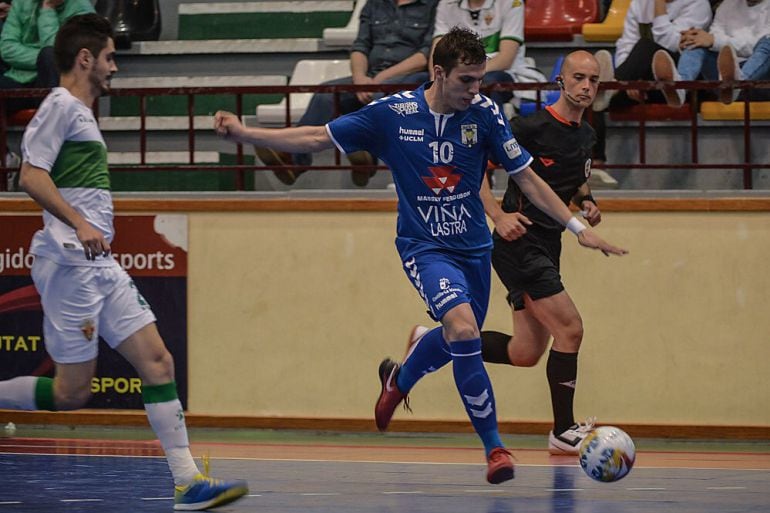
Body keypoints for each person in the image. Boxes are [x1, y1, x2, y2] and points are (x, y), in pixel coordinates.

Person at [214, 27, 627, 484]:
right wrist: (245, 133)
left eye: (480, 80)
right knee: (466, 330)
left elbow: (526, 178)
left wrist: (576, 226)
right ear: (438, 72)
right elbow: (315, 136)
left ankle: (400, 379)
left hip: (474, 249)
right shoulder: (393, 114)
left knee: (459, 336)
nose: (476, 90)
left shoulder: (485, 113)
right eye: (466, 81)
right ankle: (495, 450)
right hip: (425, 248)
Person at [0, 14, 248, 511]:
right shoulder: (59, 106)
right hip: (70, 265)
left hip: (101, 264)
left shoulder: (84, 115)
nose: (115, 67)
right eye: (110, 57)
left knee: (158, 362)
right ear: (86, 59)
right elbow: (29, 176)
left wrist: (90, 229)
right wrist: (78, 222)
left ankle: (188, 482)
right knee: (73, 394)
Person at [479, 51, 610, 455]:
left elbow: (572, 182)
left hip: (548, 245)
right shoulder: (528, 126)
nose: (586, 86)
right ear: (560, 80)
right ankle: (563, 430)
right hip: (519, 243)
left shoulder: (587, 134)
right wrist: (498, 215)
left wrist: (586, 201)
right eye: (578, 77)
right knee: (570, 329)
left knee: (525, 353)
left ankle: (435, 342)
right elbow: (477, 170)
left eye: (593, 80)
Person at [256, 0, 438, 187]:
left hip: (410, 76)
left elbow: (426, 54)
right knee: (326, 94)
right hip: (370, 75)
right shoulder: (374, 4)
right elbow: (360, 46)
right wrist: (360, 79)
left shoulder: (434, 6)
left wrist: (379, 80)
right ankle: (294, 161)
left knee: (380, 99)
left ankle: (368, 156)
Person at [590, 0, 712, 186]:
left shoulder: (698, 4)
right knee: (588, 94)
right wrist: (631, 80)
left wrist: (659, 5)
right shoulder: (639, 3)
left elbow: (670, 43)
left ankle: (612, 86)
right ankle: (596, 164)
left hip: (680, 83)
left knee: (646, 47)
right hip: (642, 80)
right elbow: (626, 44)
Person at [429, 0, 545, 109]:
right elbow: (438, 51)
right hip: (457, 70)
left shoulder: (512, 3)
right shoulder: (446, 4)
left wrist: (467, 74)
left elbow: (506, 59)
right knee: (417, 81)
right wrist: (435, 78)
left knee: (486, 83)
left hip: (503, 72)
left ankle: (488, 128)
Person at [652, 0, 769, 107]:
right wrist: (701, 38)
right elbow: (713, 35)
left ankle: (738, 83)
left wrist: (715, 41)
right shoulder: (727, 5)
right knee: (697, 41)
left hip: (761, 83)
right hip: (725, 84)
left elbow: (757, 46)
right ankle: (679, 87)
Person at [0, 0, 95, 115]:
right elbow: (7, 48)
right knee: (46, 56)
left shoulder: (81, 9)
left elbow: (58, 54)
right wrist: (42, 60)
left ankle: (55, 121)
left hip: (60, 82)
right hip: (20, 77)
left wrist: (48, 9)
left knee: (49, 55)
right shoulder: (21, 3)